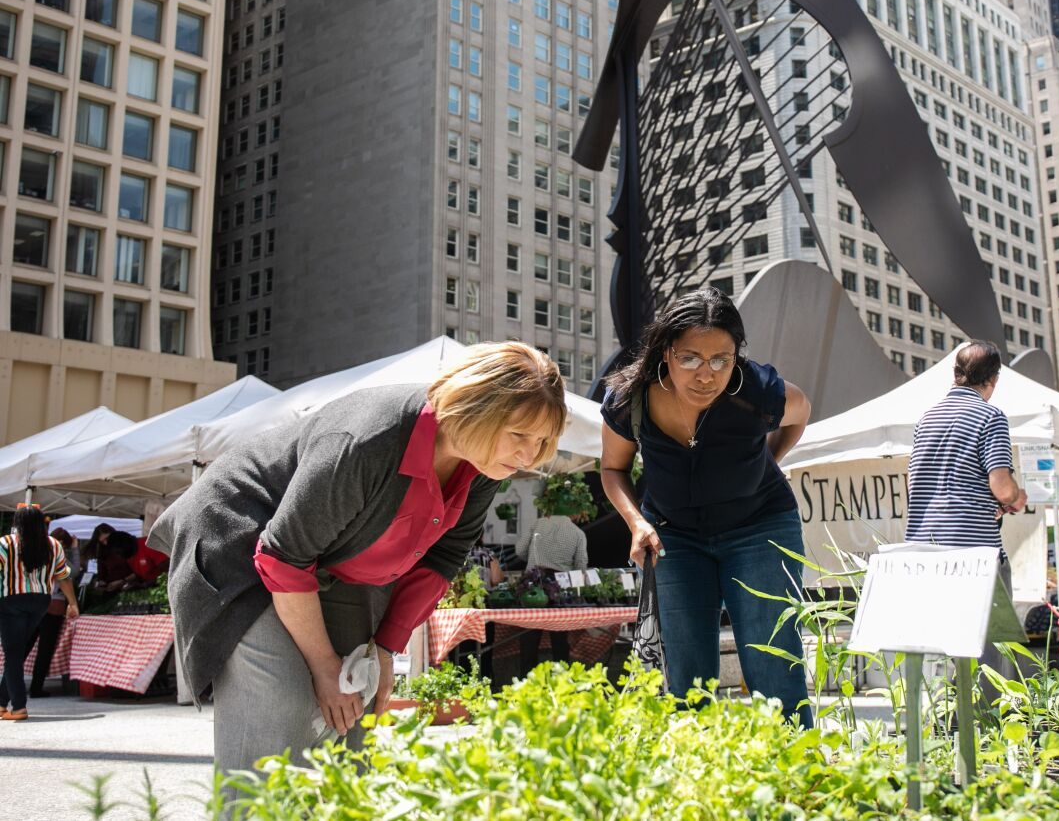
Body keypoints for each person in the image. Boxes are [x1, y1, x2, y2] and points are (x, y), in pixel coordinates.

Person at [147, 342, 566, 781]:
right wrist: (323, 666)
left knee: (357, 698)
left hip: (329, 561)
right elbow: (285, 557)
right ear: (473, 407)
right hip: (242, 545)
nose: (529, 457)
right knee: (283, 706)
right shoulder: (367, 440)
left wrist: (384, 649)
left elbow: (441, 560)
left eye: (542, 443)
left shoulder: (483, 465)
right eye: (519, 436)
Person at [599, 288, 813, 728]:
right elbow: (612, 469)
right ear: (666, 352)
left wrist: (768, 462)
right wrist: (637, 523)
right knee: (687, 674)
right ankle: (697, 779)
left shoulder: (757, 391)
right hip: (674, 536)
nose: (706, 375)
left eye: (722, 359)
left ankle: (797, 779)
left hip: (761, 528)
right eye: (690, 358)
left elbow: (802, 410)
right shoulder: (630, 399)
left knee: (774, 663)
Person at [904, 341, 1028, 680]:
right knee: (987, 649)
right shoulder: (991, 417)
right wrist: (1016, 498)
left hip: (926, 547)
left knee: (938, 646)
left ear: (956, 374)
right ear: (993, 379)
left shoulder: (926, 418)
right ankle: (984, 727)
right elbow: (1001, 486)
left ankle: (943, 724)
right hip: (974, 552)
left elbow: (916, 484)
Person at [0, 506, 80, 720]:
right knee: (17, 652)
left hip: (11, 600)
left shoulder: (6, 543)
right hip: (41, 602)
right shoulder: (53, 545)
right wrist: (72, 603)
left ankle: (18, 707)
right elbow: (64, 576)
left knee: (13, 653)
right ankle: (0, 702)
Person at [513, 495, 590, 676]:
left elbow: (519, 550)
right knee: (560, 638)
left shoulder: (537, 524)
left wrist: (533, 557)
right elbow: (580, 567)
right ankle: (561, 684)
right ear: (573, 513)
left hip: (533, 582)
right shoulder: (578, 533)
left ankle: (526, 683)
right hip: (560, 585)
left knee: (529, 638)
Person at [25, 527, 80, 697]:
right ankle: (36, 688)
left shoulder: (35, 555)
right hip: (53, 606)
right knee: (45, 651)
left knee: (23, 647)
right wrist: (75, 549)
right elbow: (74, 572)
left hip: (33, 604)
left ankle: (6, 686)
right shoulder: (57, 556)